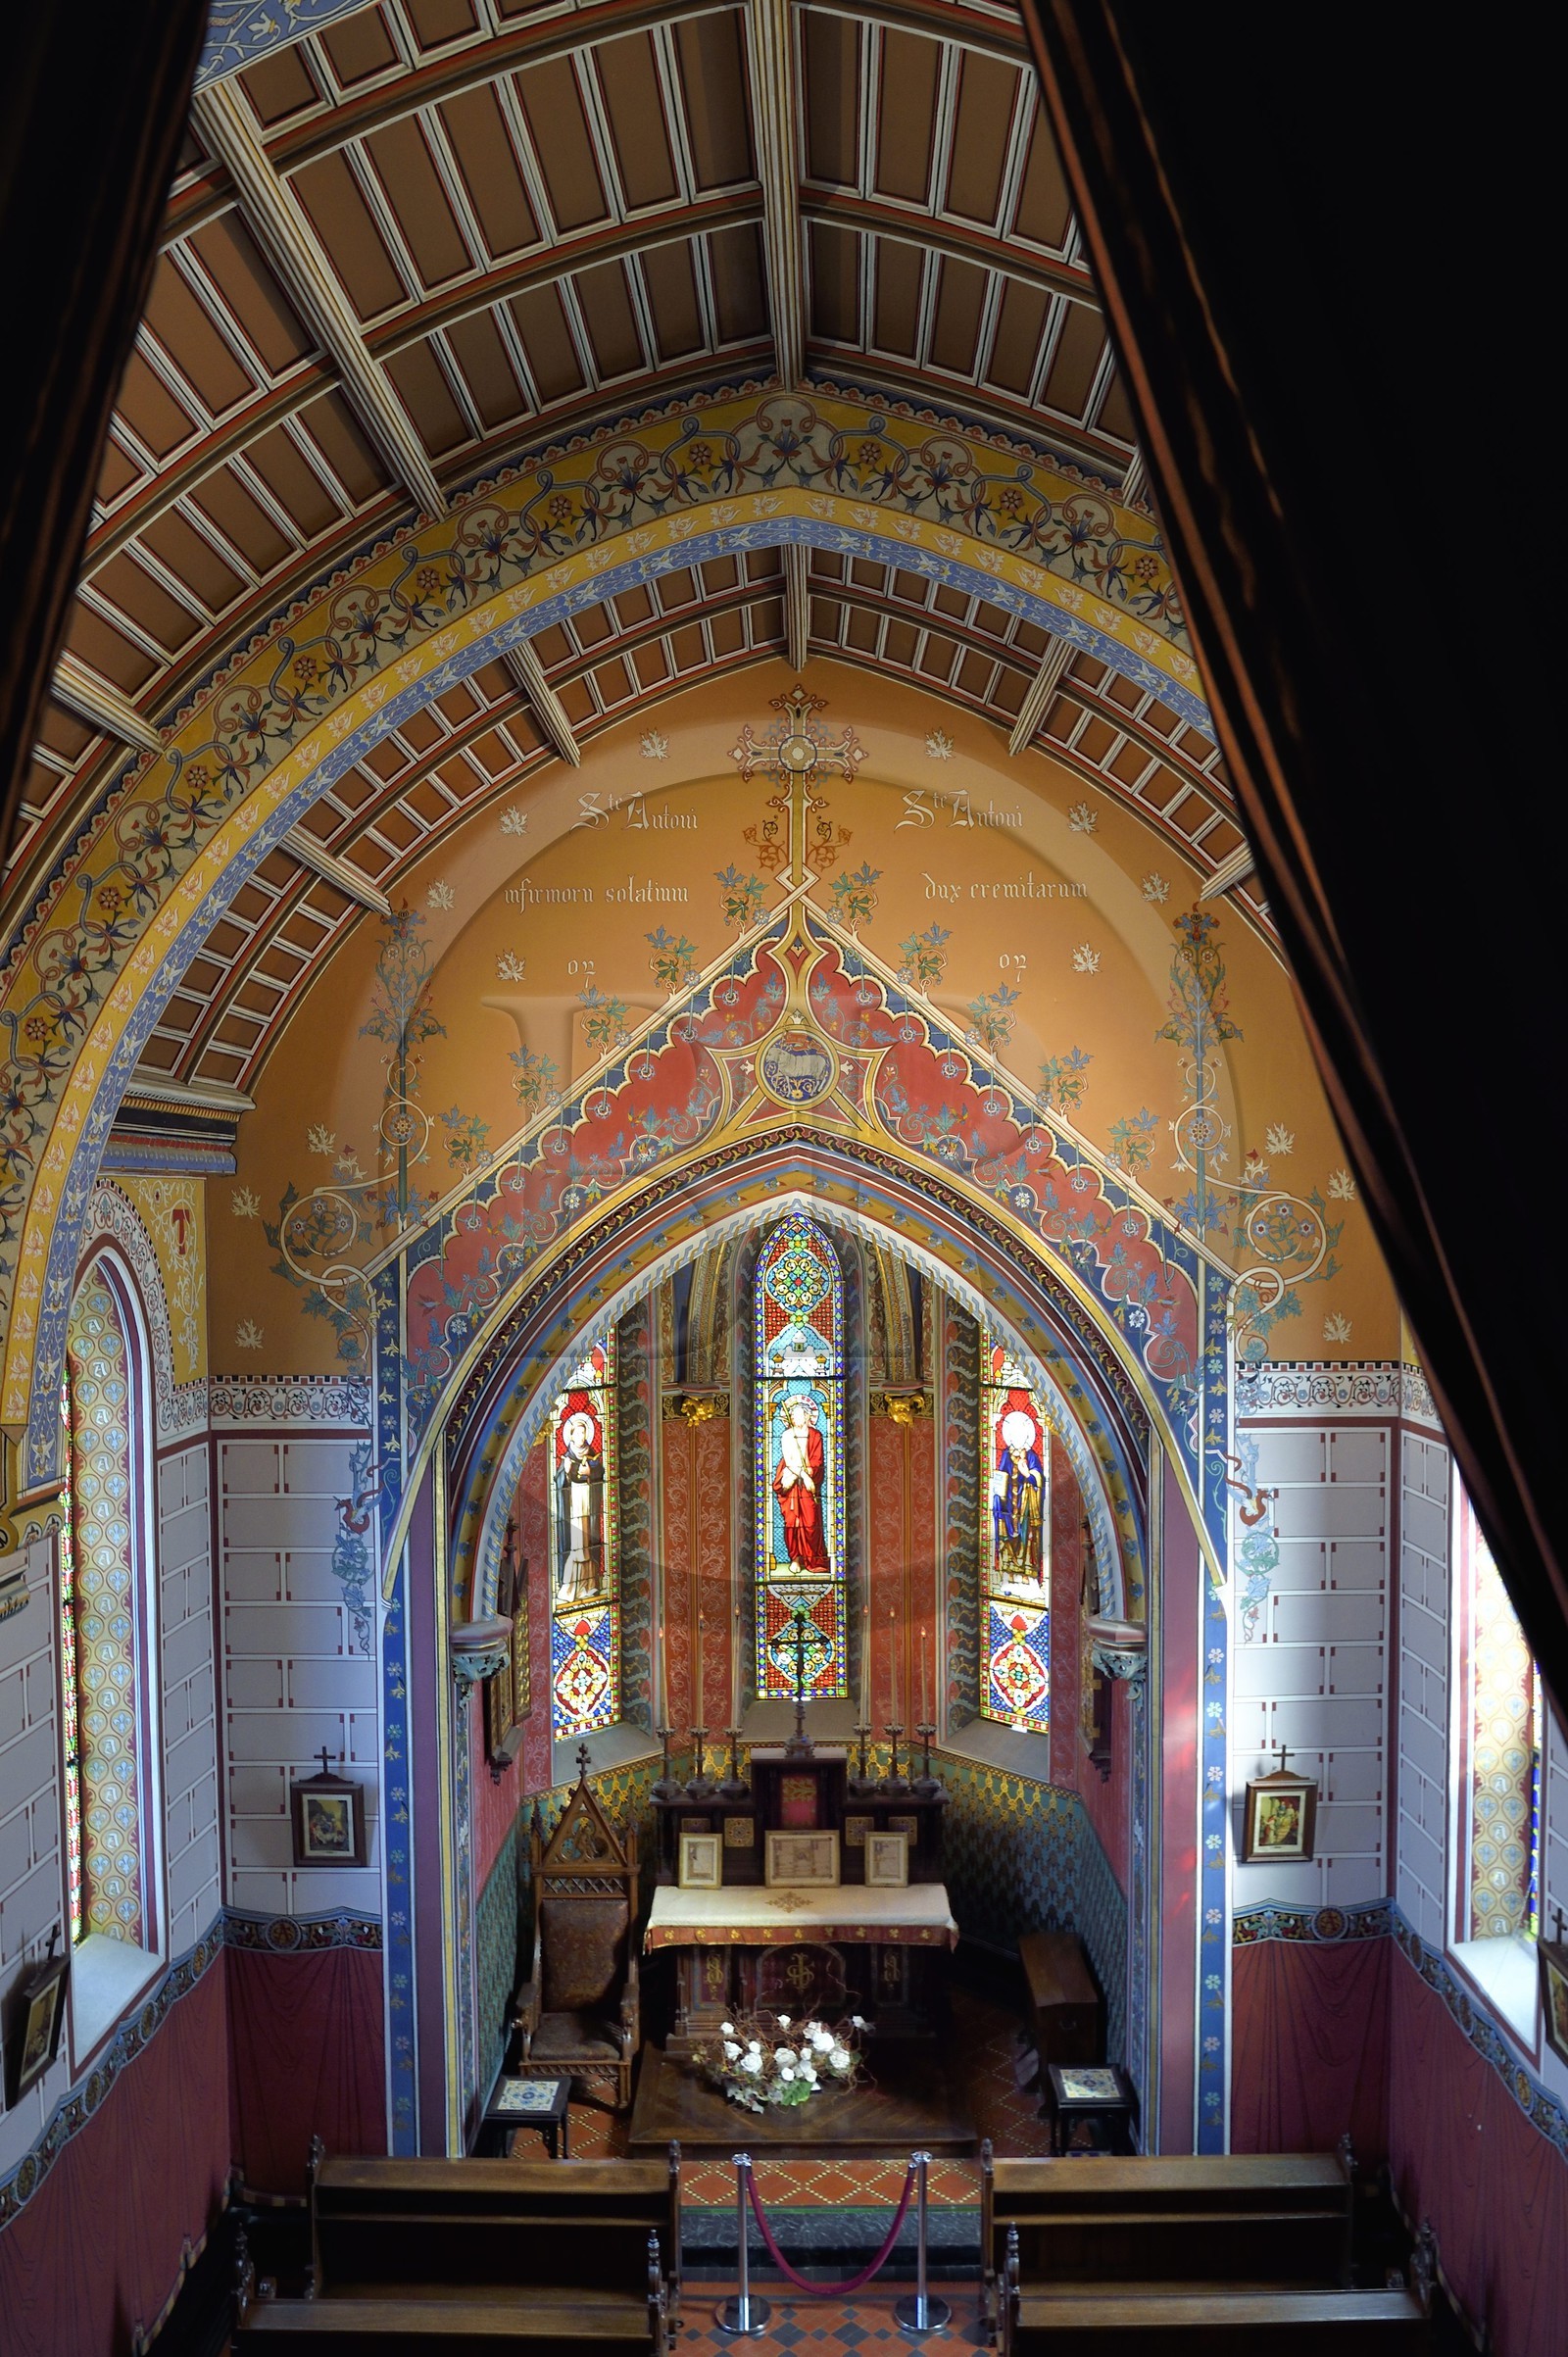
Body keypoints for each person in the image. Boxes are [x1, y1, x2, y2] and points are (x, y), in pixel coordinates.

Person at [773, 1396, 831, 1573]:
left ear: (807, 1417)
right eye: (793, 1415)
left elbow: (818, 1460)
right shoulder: (787, 1435)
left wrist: (808, 1476)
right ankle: (795, 1558)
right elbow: (789, 1461)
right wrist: (803, 1476)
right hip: (791, 1483)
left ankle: (812, 1559)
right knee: (792, 1522)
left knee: (811, 1522)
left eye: (799, 1415)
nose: (796, 1418)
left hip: (809, 1484)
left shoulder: (815, 1435)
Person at [556, 1409, 606, 1606]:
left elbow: (600, 1474)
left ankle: (589, 1585)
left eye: (583, 1432)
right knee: (575, 1544)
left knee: (587, 1542)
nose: (581, 1436)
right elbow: (559, 1481)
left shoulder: (593, 1455)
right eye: (577, 1433)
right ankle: (570, 1586)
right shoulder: (567, 1457)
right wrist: (567, 1472)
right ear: (571, 1435)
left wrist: (590, 1472)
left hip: (588, 1503)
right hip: (573, 1505)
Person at [992, 1407, 1044, 1584]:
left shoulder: (1031, 1456)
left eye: (1020, 1433)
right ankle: (1008, 1572)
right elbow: (1001, 1475)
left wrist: (1027, 1473)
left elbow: (1038, 1477)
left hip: (1025, 1503)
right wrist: (999, 1491)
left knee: (1026, 1536)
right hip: (1007, 1503)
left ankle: (1026, 1573)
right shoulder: (1006, 1455)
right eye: (1014, 1433)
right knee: (1007, 1535)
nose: (1017, 1437)